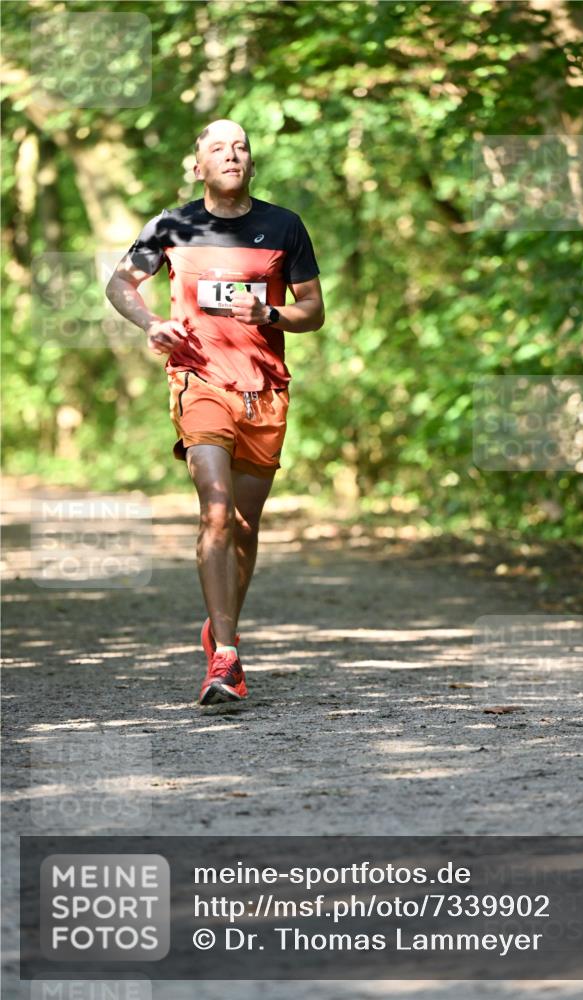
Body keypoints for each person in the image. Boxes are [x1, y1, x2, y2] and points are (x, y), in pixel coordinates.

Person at [106, 119, 324, 706]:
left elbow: (313, 311)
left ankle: (217, 625)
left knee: (245, 529)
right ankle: (225, 656)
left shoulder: (284, 227)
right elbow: (120, 283)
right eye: (218, 148)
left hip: (265, 392)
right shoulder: (173, 224)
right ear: (197, 165)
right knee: (218, 511)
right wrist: (153, 323)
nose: (232, 155)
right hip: (198, 381)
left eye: (241, 147)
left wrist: (271, 315)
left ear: (251, 163)